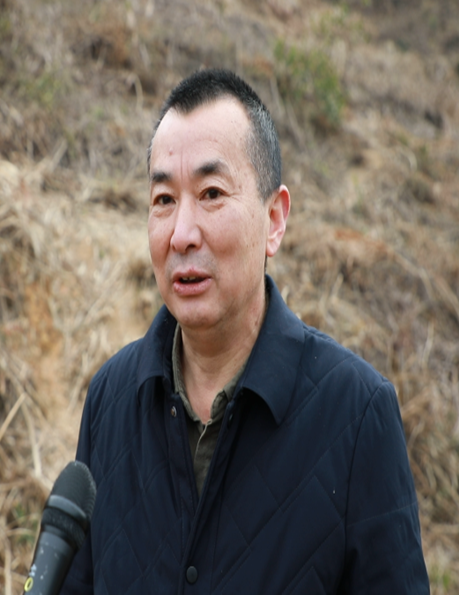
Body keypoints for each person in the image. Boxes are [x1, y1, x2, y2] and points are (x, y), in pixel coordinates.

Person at [61, 69, 429, 594]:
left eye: (211, 193)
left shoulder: (356, 413)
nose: (182, 234)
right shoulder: (110, 399)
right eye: (163, 199)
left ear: (274, 219)